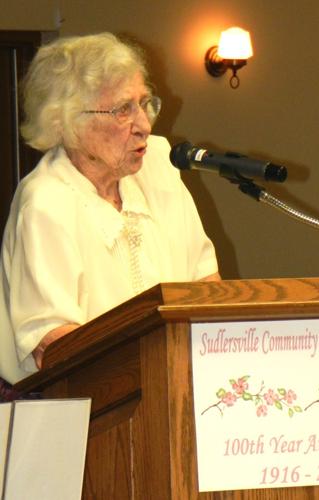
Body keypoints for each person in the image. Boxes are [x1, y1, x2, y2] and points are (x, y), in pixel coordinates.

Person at [0, 32, 220, 385]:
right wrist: (149, 377)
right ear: (68, 122)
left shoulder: (160, 165)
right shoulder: (46, 202)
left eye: (145, 103)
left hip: (180, 389)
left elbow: (206, 286)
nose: (144, 126)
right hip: (90, 417)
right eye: (123, 110)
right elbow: (52, 346)